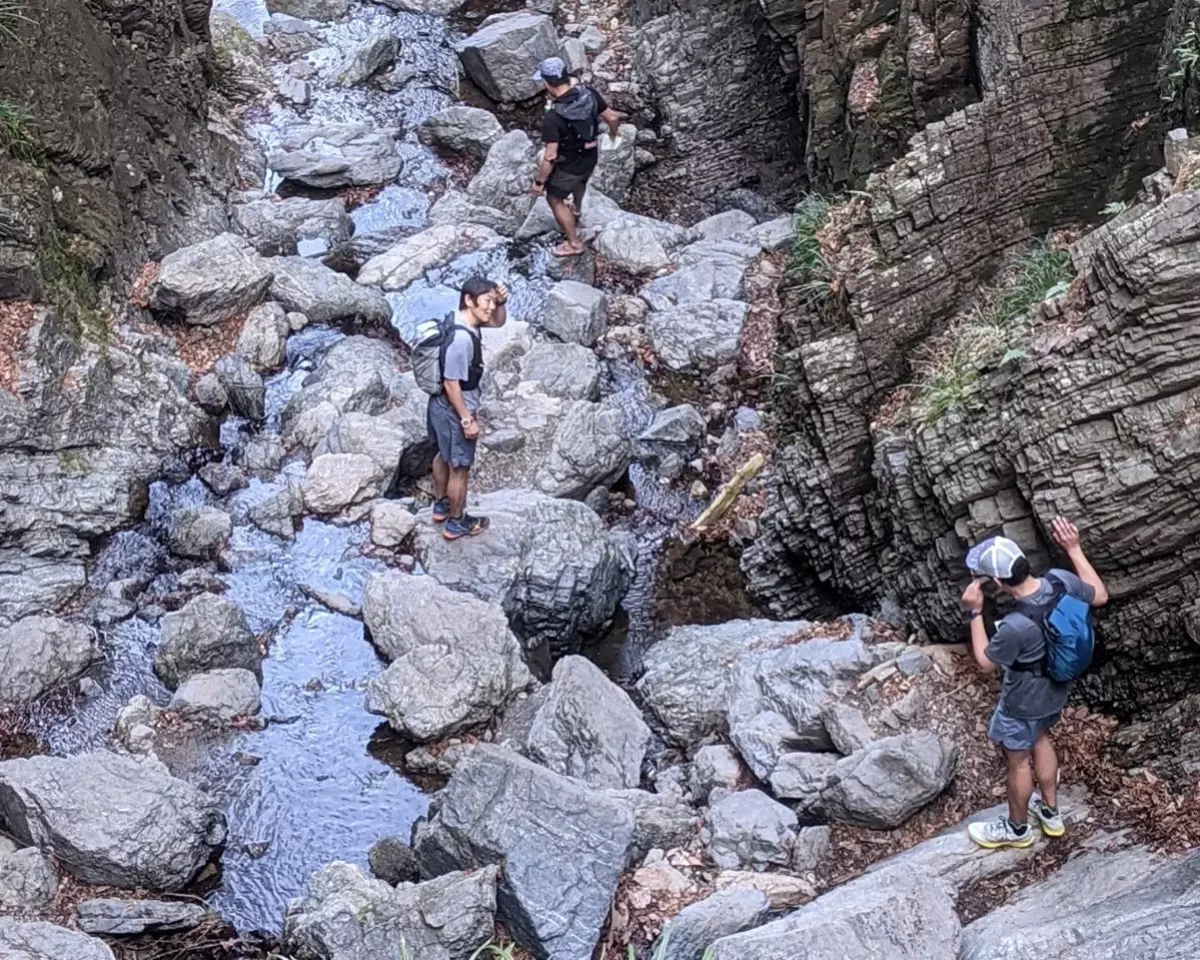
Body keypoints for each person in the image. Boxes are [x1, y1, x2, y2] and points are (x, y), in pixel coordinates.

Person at [960, 517, 1108, 849]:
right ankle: (1051, 813)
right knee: (1040, 736)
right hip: (1055, 688)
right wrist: (1073, 548)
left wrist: (975, 613)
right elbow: (1099, 596)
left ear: (997, 581)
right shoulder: (1059, 580)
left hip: (1023, 701)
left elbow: (985, 662)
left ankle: (1016, 830)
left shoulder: (1016, 625)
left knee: (1018, 760)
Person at [427, 277, 508, 540]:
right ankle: (456, 522)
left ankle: (441, 506)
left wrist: (501, 303)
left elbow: (498, 322)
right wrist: (466, 419)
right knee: (460, 469)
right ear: (469, 300)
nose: (491, 307)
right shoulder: (461, 339)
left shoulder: (460, 319)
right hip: (454, 408)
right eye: (487, 301)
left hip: (438, 405)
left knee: (443, 455)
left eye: (493, 301)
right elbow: (451, 384)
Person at [529, 56, 622, 257]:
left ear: (546, 83)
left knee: (554, 198)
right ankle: (577, 211)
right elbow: (613, 117)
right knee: (581, 181)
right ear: (565, 75)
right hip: (590, 156)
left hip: (568, 165)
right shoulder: (589, 94)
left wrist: (539, 182)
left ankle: (573, 243)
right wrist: (614, 137)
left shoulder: (553, 116)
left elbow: (550, 156)